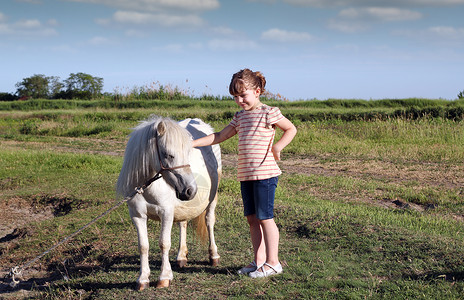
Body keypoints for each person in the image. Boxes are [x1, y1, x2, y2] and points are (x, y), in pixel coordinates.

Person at [192, 68, 297, 278]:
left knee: (265, 217)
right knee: (251, 218)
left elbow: (291, 129)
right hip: (246, 175)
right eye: (235, 97)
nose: (239, 100)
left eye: (243, 95)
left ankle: (273, 263)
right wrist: (191, 143)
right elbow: (220, 136)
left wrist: (278, 147)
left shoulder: (269, 112)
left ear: (257, 91)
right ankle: (259, 262)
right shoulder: (239, 117)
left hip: (265, 174)